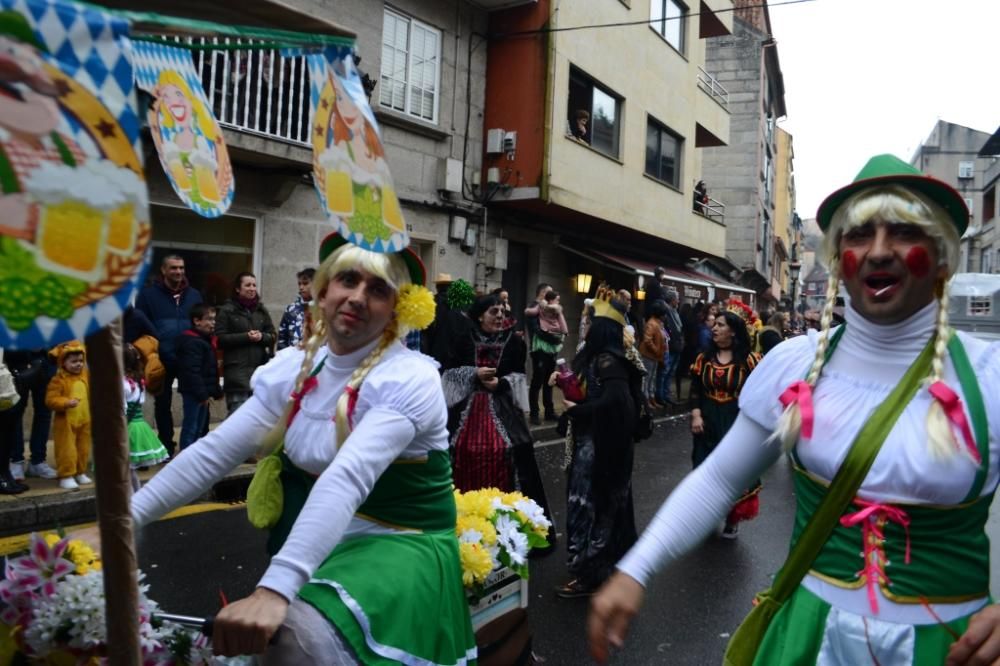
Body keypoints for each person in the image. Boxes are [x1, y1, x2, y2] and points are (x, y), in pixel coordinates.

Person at [588, 154, 1000, 666]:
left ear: (940, 256)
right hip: (810, 640)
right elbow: (719, 480)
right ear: (837, 258)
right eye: (857, 235)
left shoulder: (989, 376)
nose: (876, 252)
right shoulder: (795, 364)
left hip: (950, 648)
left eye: (902, 232)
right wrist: (636, 568)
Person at [82, 232, 477, 663]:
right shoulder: (297, 366)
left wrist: (273, 591)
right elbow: (215, 452)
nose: (358, 297)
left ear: (398, 309)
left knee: (292, 635)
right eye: (348, 279)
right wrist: (120, 524)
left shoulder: (408, 378)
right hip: (327, 541)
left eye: (379, 289)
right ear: (323, 291)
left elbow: (346, 478)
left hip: (401, 543)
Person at [442, 294, 556, 550]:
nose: (500, 317)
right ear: (480, 315)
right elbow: (448, 374)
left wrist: (501, 382)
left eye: (502, 312)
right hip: (466, 410)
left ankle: (508, 529)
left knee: (512, 452)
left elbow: (518, 375)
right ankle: (462, 526)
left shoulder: (514, 343)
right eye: (494, 312)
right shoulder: (463, 339)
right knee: (456, 450)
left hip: (501, 408)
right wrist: (474, 374)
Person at [555, 286, 645, 599]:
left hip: (600, 449)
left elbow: (618, 404)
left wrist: (578, 410)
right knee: (601, 507)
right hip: (599, 445)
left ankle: (589, 574)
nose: (585, 326)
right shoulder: (604, 358)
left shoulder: (609, 360)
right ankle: (595, 571)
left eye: (590, 322)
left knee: (591, 508)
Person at [689, 310, 761, 538]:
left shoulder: (749, 361)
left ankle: (732, 517)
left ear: (733, 330)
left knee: (732, 471)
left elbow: (760, 391)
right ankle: (708, 515)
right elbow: (696, 391)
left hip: (735, 421)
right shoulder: (703, 359)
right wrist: (696, 415)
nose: (714, 328)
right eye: (714, 324)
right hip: (707, 420)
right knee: (705, 468)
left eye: (720, 324)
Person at [136, 254, 204, 455]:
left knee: (193, 401)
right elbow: (140, 325)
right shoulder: (148, 296)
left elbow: (202, 323)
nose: (179, 272)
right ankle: (165, 444)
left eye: (181, 268)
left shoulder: (194, 295)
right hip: (161, 358)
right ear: (164, 271)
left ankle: (192, 444)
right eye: (174, 268)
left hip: (189, 357)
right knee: (162, 403)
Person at [215, 272, 276, 415]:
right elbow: (219, 339)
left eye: (254, 285)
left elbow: (272, 335)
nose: (252, 288)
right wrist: (245, 337)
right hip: (237, 375)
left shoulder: (261, 311)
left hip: (259, 374)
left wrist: (262, 337)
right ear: (238, 289)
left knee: (256, 422)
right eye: (248, 285)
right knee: (236, 418)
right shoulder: (227, 311)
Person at [44, 341, 92, 491]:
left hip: (84, 420)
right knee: (67, 450)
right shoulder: (58, 380)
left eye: (80, 361)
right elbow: (50, 400)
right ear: (63, 363)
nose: (78, 364)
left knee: (83, 449)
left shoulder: (85, 375)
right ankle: (66, 475)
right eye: (73, 362)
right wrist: (65, 402)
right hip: (66, 423)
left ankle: (80, 472)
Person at [176, 304, 224, 450]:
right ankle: (186, 458)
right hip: (194, 393)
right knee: (191, 427)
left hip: (202, 392)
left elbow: (210, 370)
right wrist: (202, 394)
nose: (213, 323)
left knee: (199, 428)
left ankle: (194, 457)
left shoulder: (205, 340)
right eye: (209, 319)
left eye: (214, 319)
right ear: (197, 321)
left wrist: (215, 390)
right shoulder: (193, 342)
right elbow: (192, 372)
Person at [122, 343, 169, 491]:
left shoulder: (122, 383)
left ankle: (129, 501)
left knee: (124, 470)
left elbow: (122, 408)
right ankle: (136, 496)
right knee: (129, 470)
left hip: (126, 427)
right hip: (138, 425)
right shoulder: (138, 380)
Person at [5, 349, 56, 481]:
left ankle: (38, 461)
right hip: (17, 360)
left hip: (45, 359)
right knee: (15, 411)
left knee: (44, 412)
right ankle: (16, 461)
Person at [526, 282, 559, 425]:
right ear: (543, 293)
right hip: (539, 349)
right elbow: (535, 329)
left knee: (550, 381)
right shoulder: (533, 307)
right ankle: (534, 413)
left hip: (551, 349)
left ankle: (549, 411)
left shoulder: (549, 308)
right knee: (537, 381)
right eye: (549, 293)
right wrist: (552, 337)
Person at [638, 299, 668, 409]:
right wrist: (656, 350)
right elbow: (647, 340)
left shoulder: (659, 323)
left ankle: (651, 398)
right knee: (647, 378)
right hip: (648, 355)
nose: (665, 316)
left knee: (652, 378)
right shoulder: (652, 323)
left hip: (655, 356)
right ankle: (645, 401)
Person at [277, 267, 315, 351]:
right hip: (293, 359)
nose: (301, 287)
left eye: (305, 283)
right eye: (299, 284)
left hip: (315, 359)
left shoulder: (323, 309)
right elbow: (282, 338)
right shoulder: (291, 309)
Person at [657, 289, 684, 404]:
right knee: (665, 371)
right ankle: (660, 395)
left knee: (671, 372)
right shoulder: (667, 311)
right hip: (671, 345)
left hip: (677, 345)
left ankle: (666, 394)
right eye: (677, 298)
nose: (678, 301)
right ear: (672, 300)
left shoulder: (675, 311)